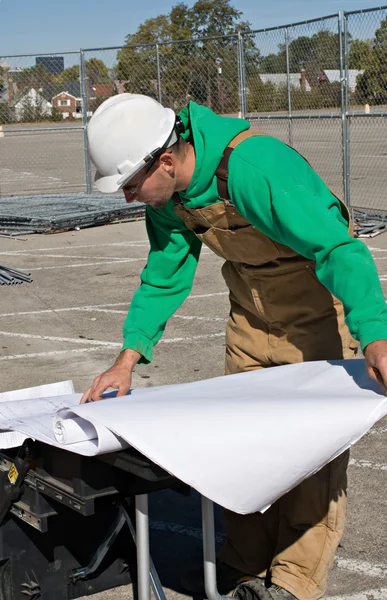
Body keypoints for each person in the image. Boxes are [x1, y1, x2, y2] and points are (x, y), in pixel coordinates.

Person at [83, 93, 387, 600]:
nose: (129, 198)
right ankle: (241, 562)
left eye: (132, 186)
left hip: (313, 306)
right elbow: (164, 277)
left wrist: (375, 334)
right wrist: (126, 360)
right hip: (249, 310)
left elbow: (338, 248)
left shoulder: (253, 166)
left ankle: (293, 582)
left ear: (165, 160)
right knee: (244, 441)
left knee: (311, 449)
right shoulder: (170, 196)